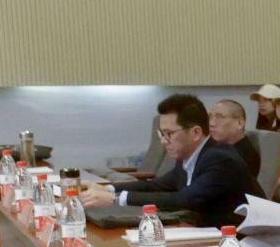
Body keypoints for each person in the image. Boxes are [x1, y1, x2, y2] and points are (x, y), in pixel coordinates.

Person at [82, 93, 254, 229]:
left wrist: (114, 199)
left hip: (243, 244)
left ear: (195, 133)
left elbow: (184, 199)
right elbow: (157, 185)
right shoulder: (189, 157)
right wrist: (108, 188)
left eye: (169, 133)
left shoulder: (220, 159)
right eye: (161, 134)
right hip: (206, 232)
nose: (164, 141)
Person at [208, 98, 262, 178]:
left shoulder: (242, 158)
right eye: (210, 117)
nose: (211, 123)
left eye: (219, 117)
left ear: (240, 123)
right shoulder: (219, 149)